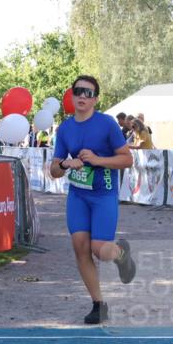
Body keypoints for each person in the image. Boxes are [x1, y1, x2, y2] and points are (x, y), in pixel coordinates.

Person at [49, 75, 137, 325]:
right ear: (72, 95)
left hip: (103, 194)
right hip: (78, 195)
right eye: (78, 91)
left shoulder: (107, 124)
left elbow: (127, 160)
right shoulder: (65, 129)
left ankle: (121, 254)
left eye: (88, 93)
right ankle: (99, 304)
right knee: (80, 247)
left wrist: (98, 160)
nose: (83, 97)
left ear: (96, 99)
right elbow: (54, 170)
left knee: (101, 250)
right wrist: (66, 163)